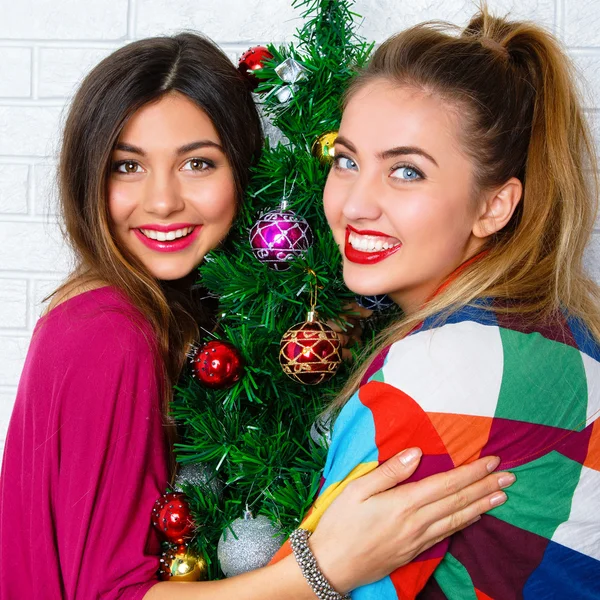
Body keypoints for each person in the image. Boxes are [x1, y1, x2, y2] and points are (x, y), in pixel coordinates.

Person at [0, 33, 512, 600]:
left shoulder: (196, 317)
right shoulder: (107, 331)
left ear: (243, 172)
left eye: (197, 163)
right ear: (88, 176)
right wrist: (324, 568)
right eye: (128, 166)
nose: (163, 200)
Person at [269, 7, 600, 600]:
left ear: (493, 207)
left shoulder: (434, 373)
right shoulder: (559, 327)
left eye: (406, 172)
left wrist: (315, 574)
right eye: (346, 161)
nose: (354, 205)